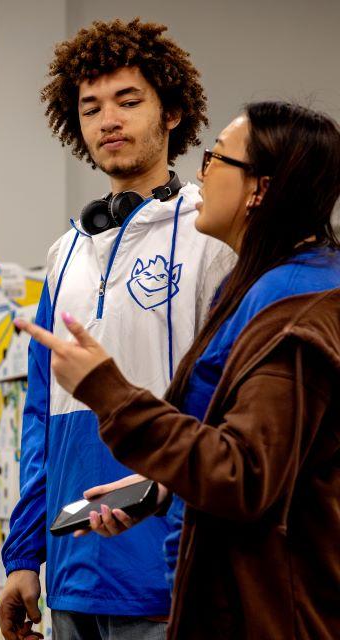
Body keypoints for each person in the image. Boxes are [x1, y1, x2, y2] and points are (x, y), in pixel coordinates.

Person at [17, 101, 340, 639]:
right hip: (166, 579)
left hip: (265, 605)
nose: (201, 173)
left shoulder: (291, 310)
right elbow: (246, 446)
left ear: (259, 189)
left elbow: (244, 475)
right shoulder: (262, 288)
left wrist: (109, 393)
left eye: (217, 160)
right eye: (91, 107)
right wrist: (163, 487)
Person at [0, 18, 233, 640]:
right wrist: (24, 556)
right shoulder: (65, 253)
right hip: (72, 571)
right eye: (91, 107)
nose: (109, 121)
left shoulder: (212, 240)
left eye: (128, 101)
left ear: (172, 112)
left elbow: (228, 411)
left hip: (169, 574)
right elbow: (42, 416)